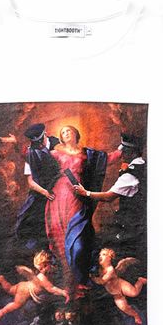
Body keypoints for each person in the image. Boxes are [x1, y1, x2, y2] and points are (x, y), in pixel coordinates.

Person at [44, 124, 122, 296]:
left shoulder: (87, 154)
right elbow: (34, 158)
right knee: (60, 235)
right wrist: (18, 144)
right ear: (61, 137)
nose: (66, 133)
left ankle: (80, 278)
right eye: (63, 132)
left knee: (79, 237)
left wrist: (123, 148)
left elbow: (106, 159)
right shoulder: (55, 153)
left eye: (69, 130)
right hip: (59, 195)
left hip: (77, 196)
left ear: (76, 134)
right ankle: (69, 280)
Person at [73, 132, 146, 260]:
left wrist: (86, 193)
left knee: (107, 247)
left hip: (132, 224)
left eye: (124, 151)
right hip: (140, 221)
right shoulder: (143, 166)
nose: (121, 154)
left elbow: (108, 196)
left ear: (132, 152)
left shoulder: (130, 174)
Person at [13, 123, 60, 254]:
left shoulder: (57, 145)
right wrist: (45, 192)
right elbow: (31, 182)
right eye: (36, 143)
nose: (39, 145)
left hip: (59, 190)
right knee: (29, 221)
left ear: (45, 134)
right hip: (41, 193)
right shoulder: (31, 153)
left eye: (40, 142)